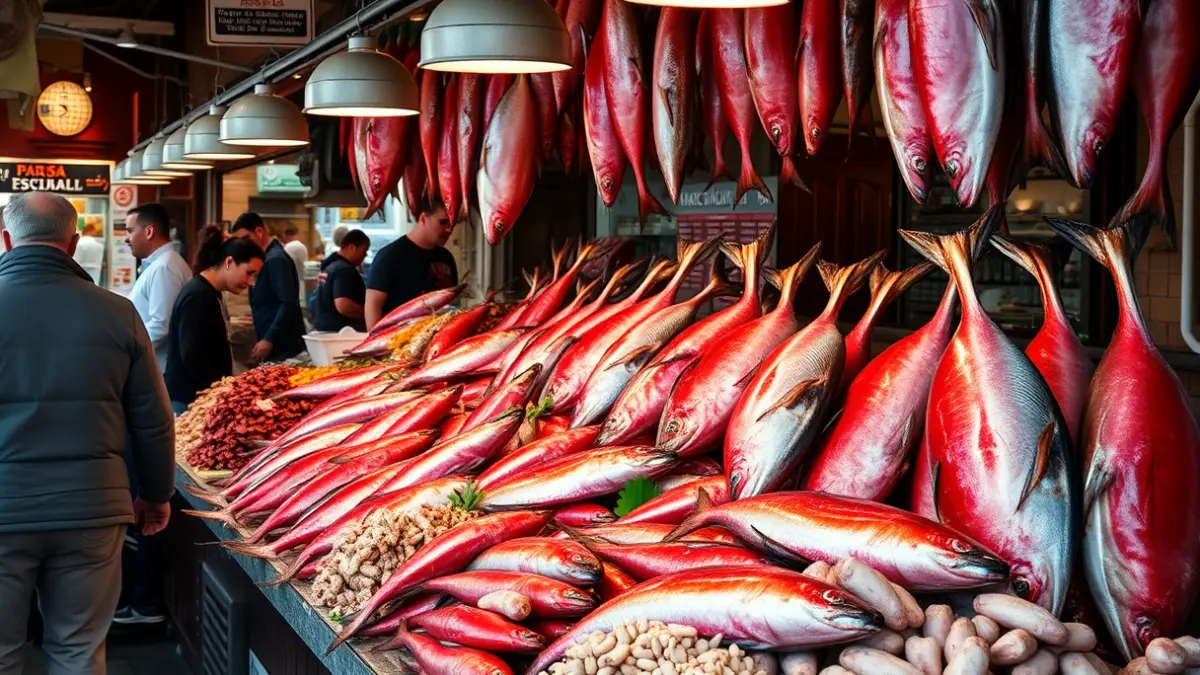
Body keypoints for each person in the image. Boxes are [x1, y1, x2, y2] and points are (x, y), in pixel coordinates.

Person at [0, 192, 174, 674]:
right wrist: (157, 494)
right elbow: (154, 419)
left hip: (4, 509)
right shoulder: (118, 313)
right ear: (74, 244)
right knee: (78, 650)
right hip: (93, 510)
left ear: (6, 240)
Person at [165, 226, 264, 412]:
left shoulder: (212, 293)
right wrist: (222, 392)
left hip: (203, 399)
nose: (251, 282)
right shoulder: (198, 296)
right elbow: (193, 356)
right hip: (189, 402)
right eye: (249, 273)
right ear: (229, 262)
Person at [365, 202, 458, 330]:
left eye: (452, 224)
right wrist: (374, 342)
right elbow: (372, 304)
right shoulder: (390, 256)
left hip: (438, 339)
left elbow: (452, 302)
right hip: (398, 342)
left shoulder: (446, 257)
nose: (449, 229)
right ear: (422, 219)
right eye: (443, 222)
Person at [229, 213, 306, 363]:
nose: (244, 244)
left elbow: (288, 302)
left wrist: (269, 338)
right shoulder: (264, 257)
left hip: (283, 346)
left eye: (246, 238)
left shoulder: (276, 259)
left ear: (259, 231)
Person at [124, 203, 191, 373]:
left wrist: (126, 348)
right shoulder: (159, 265)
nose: (126, 238)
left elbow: (161, 325)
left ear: (149, 232)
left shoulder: (164, 268)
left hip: (160, 369)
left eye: (130, 231)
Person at [313, 229, 370, 333]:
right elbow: (344, 306)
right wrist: (369, 312)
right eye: (364, 250)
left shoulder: (330, 267)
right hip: (341, 332)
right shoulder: (344, 270)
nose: (365, 255)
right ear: (352, 247)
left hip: (324, 328)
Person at [71, 219, 104, 285]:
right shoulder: (100, 245)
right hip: (95, 274)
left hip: (80, 275)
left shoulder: (78, 244)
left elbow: (75, 261)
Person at [282, 225, 308, 304]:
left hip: (293, 283)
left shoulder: (290, 246)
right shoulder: (302, 246)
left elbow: (283, 265)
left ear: (286, 235)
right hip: (302, 281)